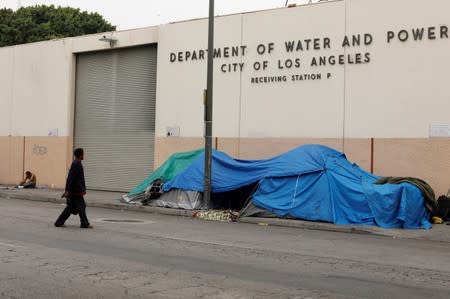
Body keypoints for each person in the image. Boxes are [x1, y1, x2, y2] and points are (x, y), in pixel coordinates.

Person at [54, 148, 92, 228]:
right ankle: (84, 223)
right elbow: (71, 178)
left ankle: (59, 222)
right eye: (83, 154)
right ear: (81, 155)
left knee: (71, 207)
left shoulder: (77, 163)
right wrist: (68, 190)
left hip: (75, 190)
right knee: (81, 206)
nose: (84, 155)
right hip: (76, 190)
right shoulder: (76, 164)